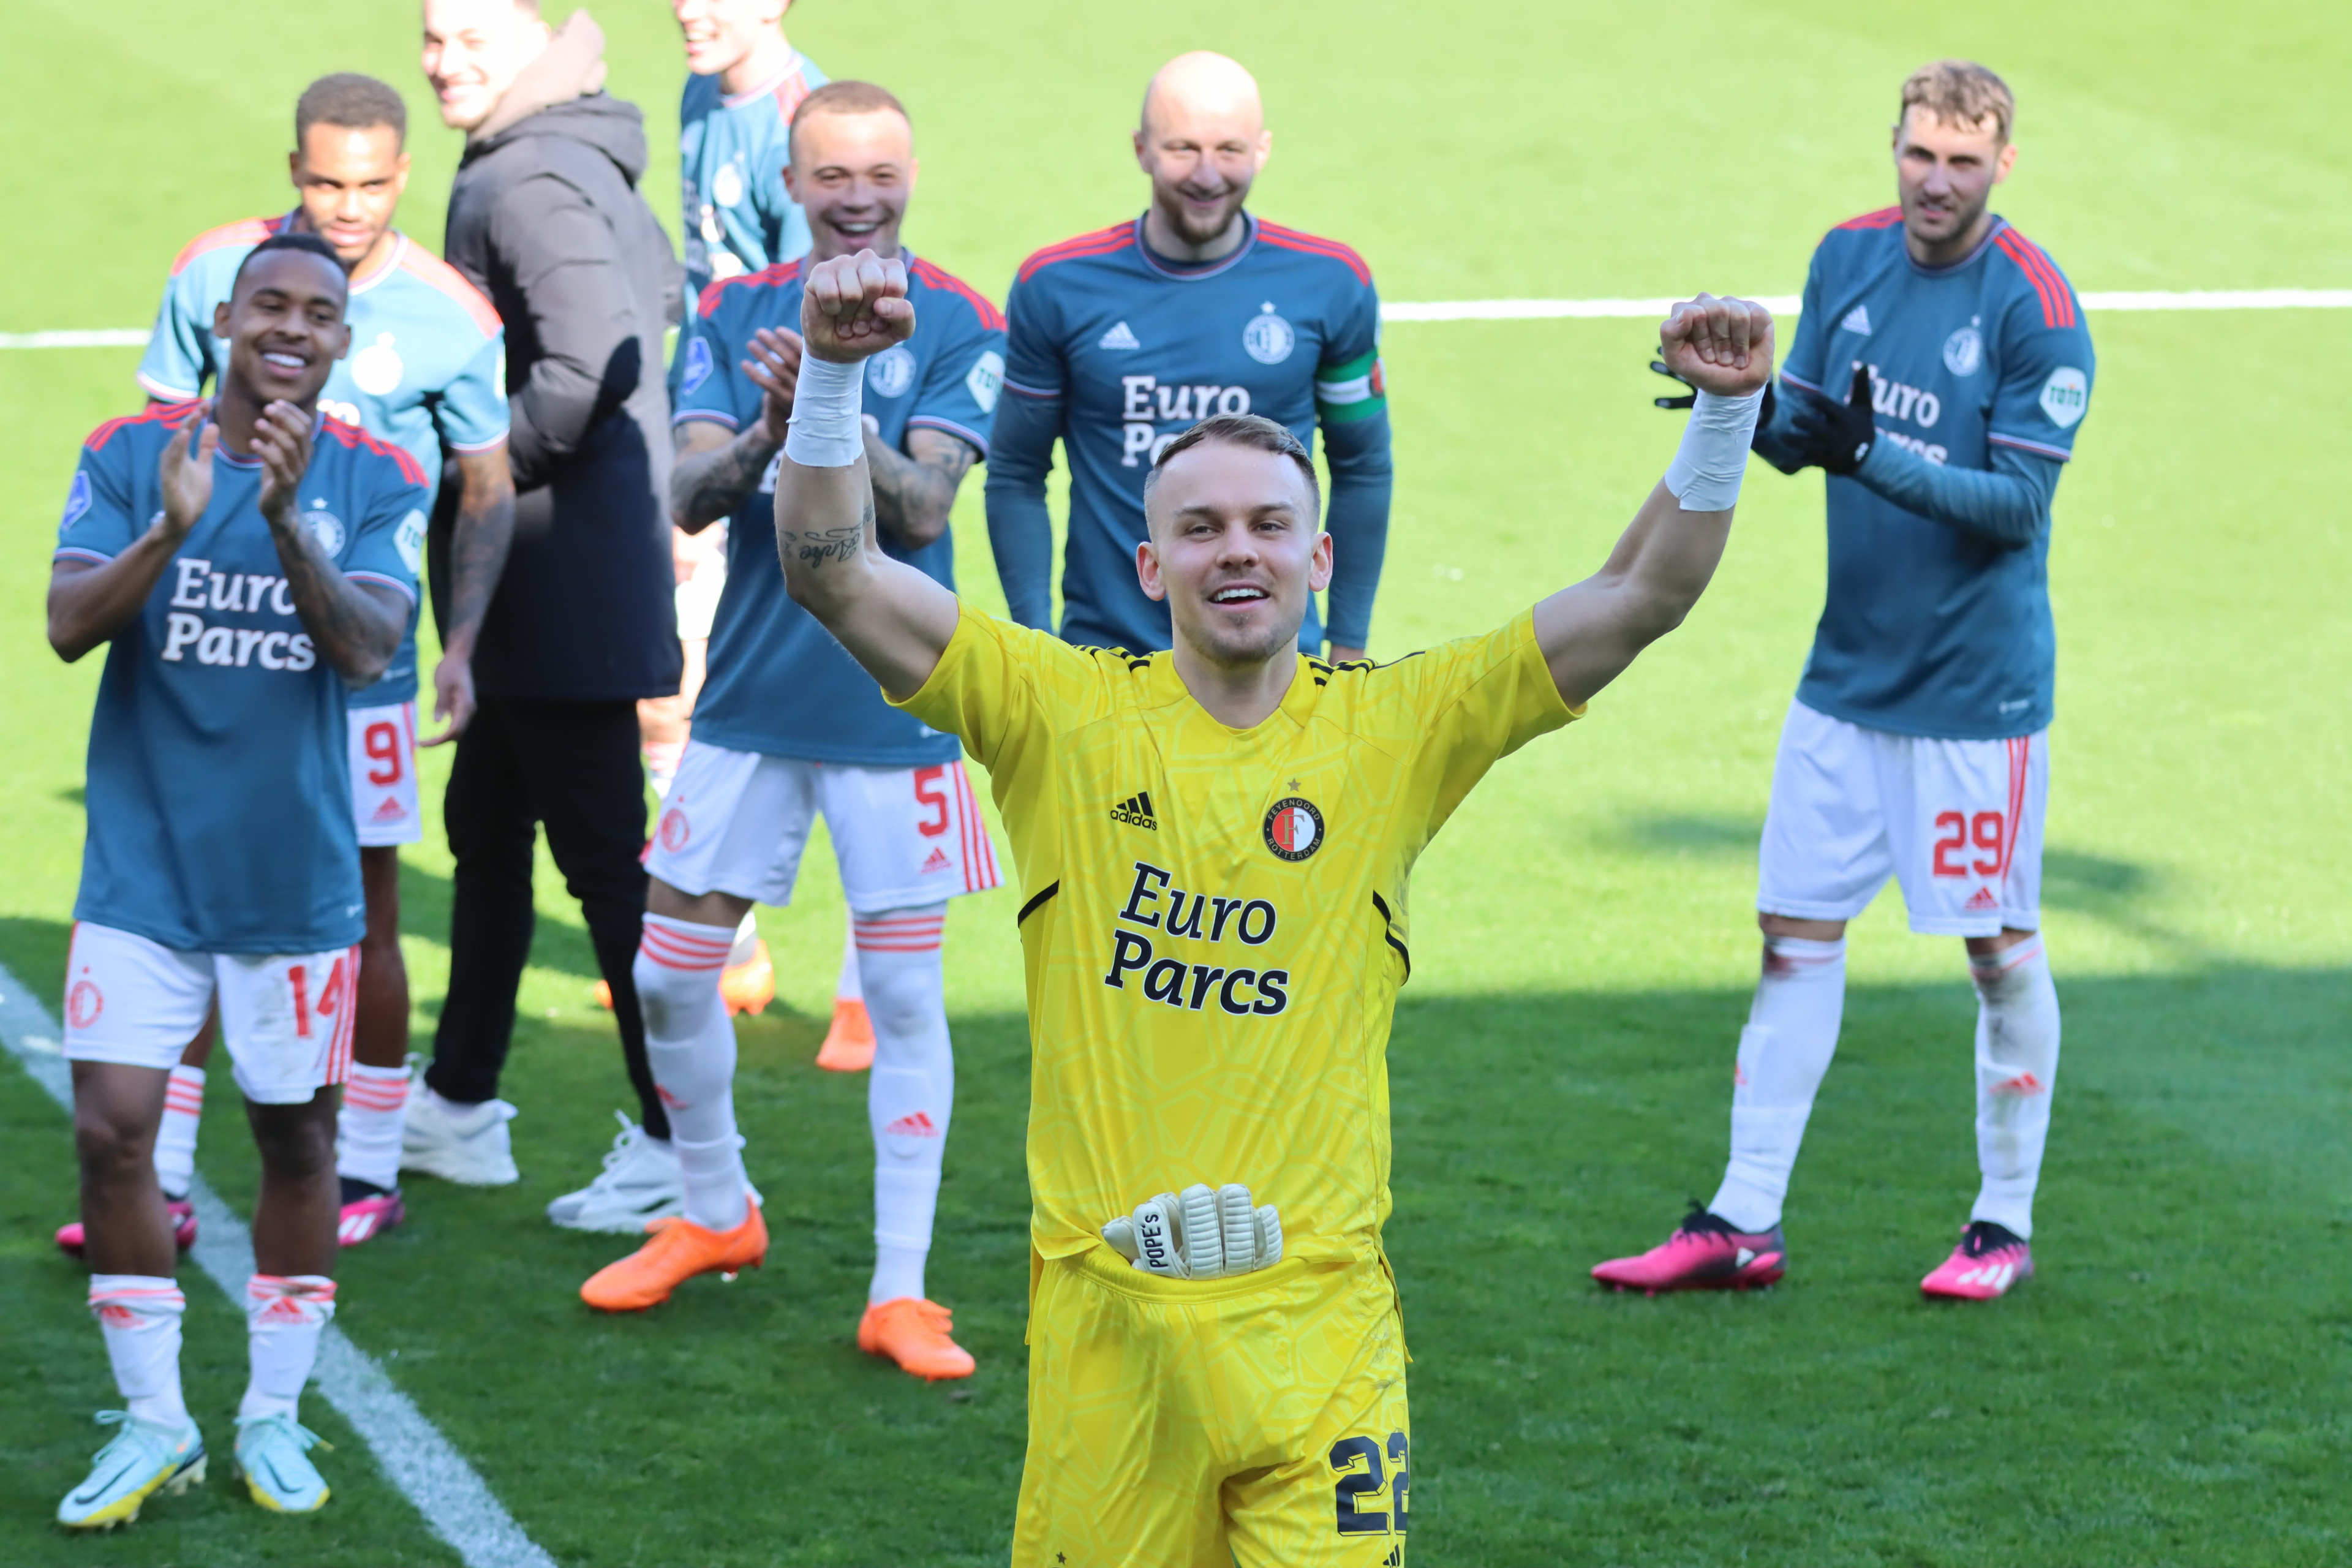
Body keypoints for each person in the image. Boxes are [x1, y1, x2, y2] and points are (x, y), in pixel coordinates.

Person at [775, 247, 1768, 1561]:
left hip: (1321, 1332)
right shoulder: (1056, 714)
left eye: (1265, 524)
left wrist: (1724, 413)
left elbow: (1646, 596)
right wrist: (833, 376)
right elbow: (835, 574)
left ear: (1319, 555)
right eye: (1199, 528)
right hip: (1108, 1330)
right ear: (1149, 565)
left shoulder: (1399, 727)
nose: (1235, 549)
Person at [1594, 61, 2092, 1302]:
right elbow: (1800, 434)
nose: (1936, 182)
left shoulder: (2037, 310)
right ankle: (1743, 1218)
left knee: (1997, 949)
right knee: (1794, 939)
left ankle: (2003, 1222)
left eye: (1963, 163)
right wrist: (1729, 387)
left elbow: (2016, 505)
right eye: (1920, 154)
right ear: (1896, 148)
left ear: (2003, 166)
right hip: (1845, 682)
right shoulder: (1846, 258)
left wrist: (1871, 455)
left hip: (1974, 701)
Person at [576, 83, 1004, 1383]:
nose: (858, 195)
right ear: (792, 183)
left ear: (912, 174)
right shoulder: (730, 310)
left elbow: (923, 510)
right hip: (752, 700)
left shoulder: (961, 318)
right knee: (665, 977)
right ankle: (717, 1208)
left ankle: (901, 1290)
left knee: (907, 1002)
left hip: (894, 704)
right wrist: (771, 426)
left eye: (879, 171)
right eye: (832, 174)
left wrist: (834, 396)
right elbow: (689, 493)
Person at [57, 74, 514, 1254]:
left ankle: (367, 1163)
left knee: (367, 907)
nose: (347, 205)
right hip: (214, 652)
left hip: (361, 654)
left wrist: (462, 643)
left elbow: (484, 485)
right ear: (294, 171)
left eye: (370, 185)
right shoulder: (217, 271)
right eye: (324, 181)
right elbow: (165, 442)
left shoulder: (454, 314)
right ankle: (161, 1171)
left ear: (403, 176)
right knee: (192, 901)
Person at [47, 233, 424, 1526]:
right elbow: (68, 624)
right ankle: (155, 1419)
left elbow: (368, 649)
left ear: (342, 341)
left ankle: (272, 1408)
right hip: (141, 873)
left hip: (293, 887)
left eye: (319, 313)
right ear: (225, 319)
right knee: (111, 1135)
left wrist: (283, 526)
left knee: (295, 1138)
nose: (292, 328)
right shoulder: (126, 452)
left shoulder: (374, 475)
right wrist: (172, 524)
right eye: (271, 304)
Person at [404, 2, 687, 1197]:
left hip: (559, 575)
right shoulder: (567, 153)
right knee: (487, 830)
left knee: (608, 871)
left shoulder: (521, 180)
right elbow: (662, 294)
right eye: (432, 37)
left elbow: (587, 362)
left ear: (536, 35)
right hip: (560, 572)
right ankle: (458, 1102)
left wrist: (477, 466)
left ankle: (687, 1150)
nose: (444, 62)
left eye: (473, 37)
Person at [986, 50, 1392, 665]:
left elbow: (1363, 467)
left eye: (1229, 150)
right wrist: (1037, 646)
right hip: (1106, 666)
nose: (1207, 175)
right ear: (1141, 149)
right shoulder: (1056, 286)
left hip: (1276, 667)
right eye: (1182, 149)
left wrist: (1349, 650)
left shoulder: (1332, 284)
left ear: (1262, 150)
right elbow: (1016, 472)